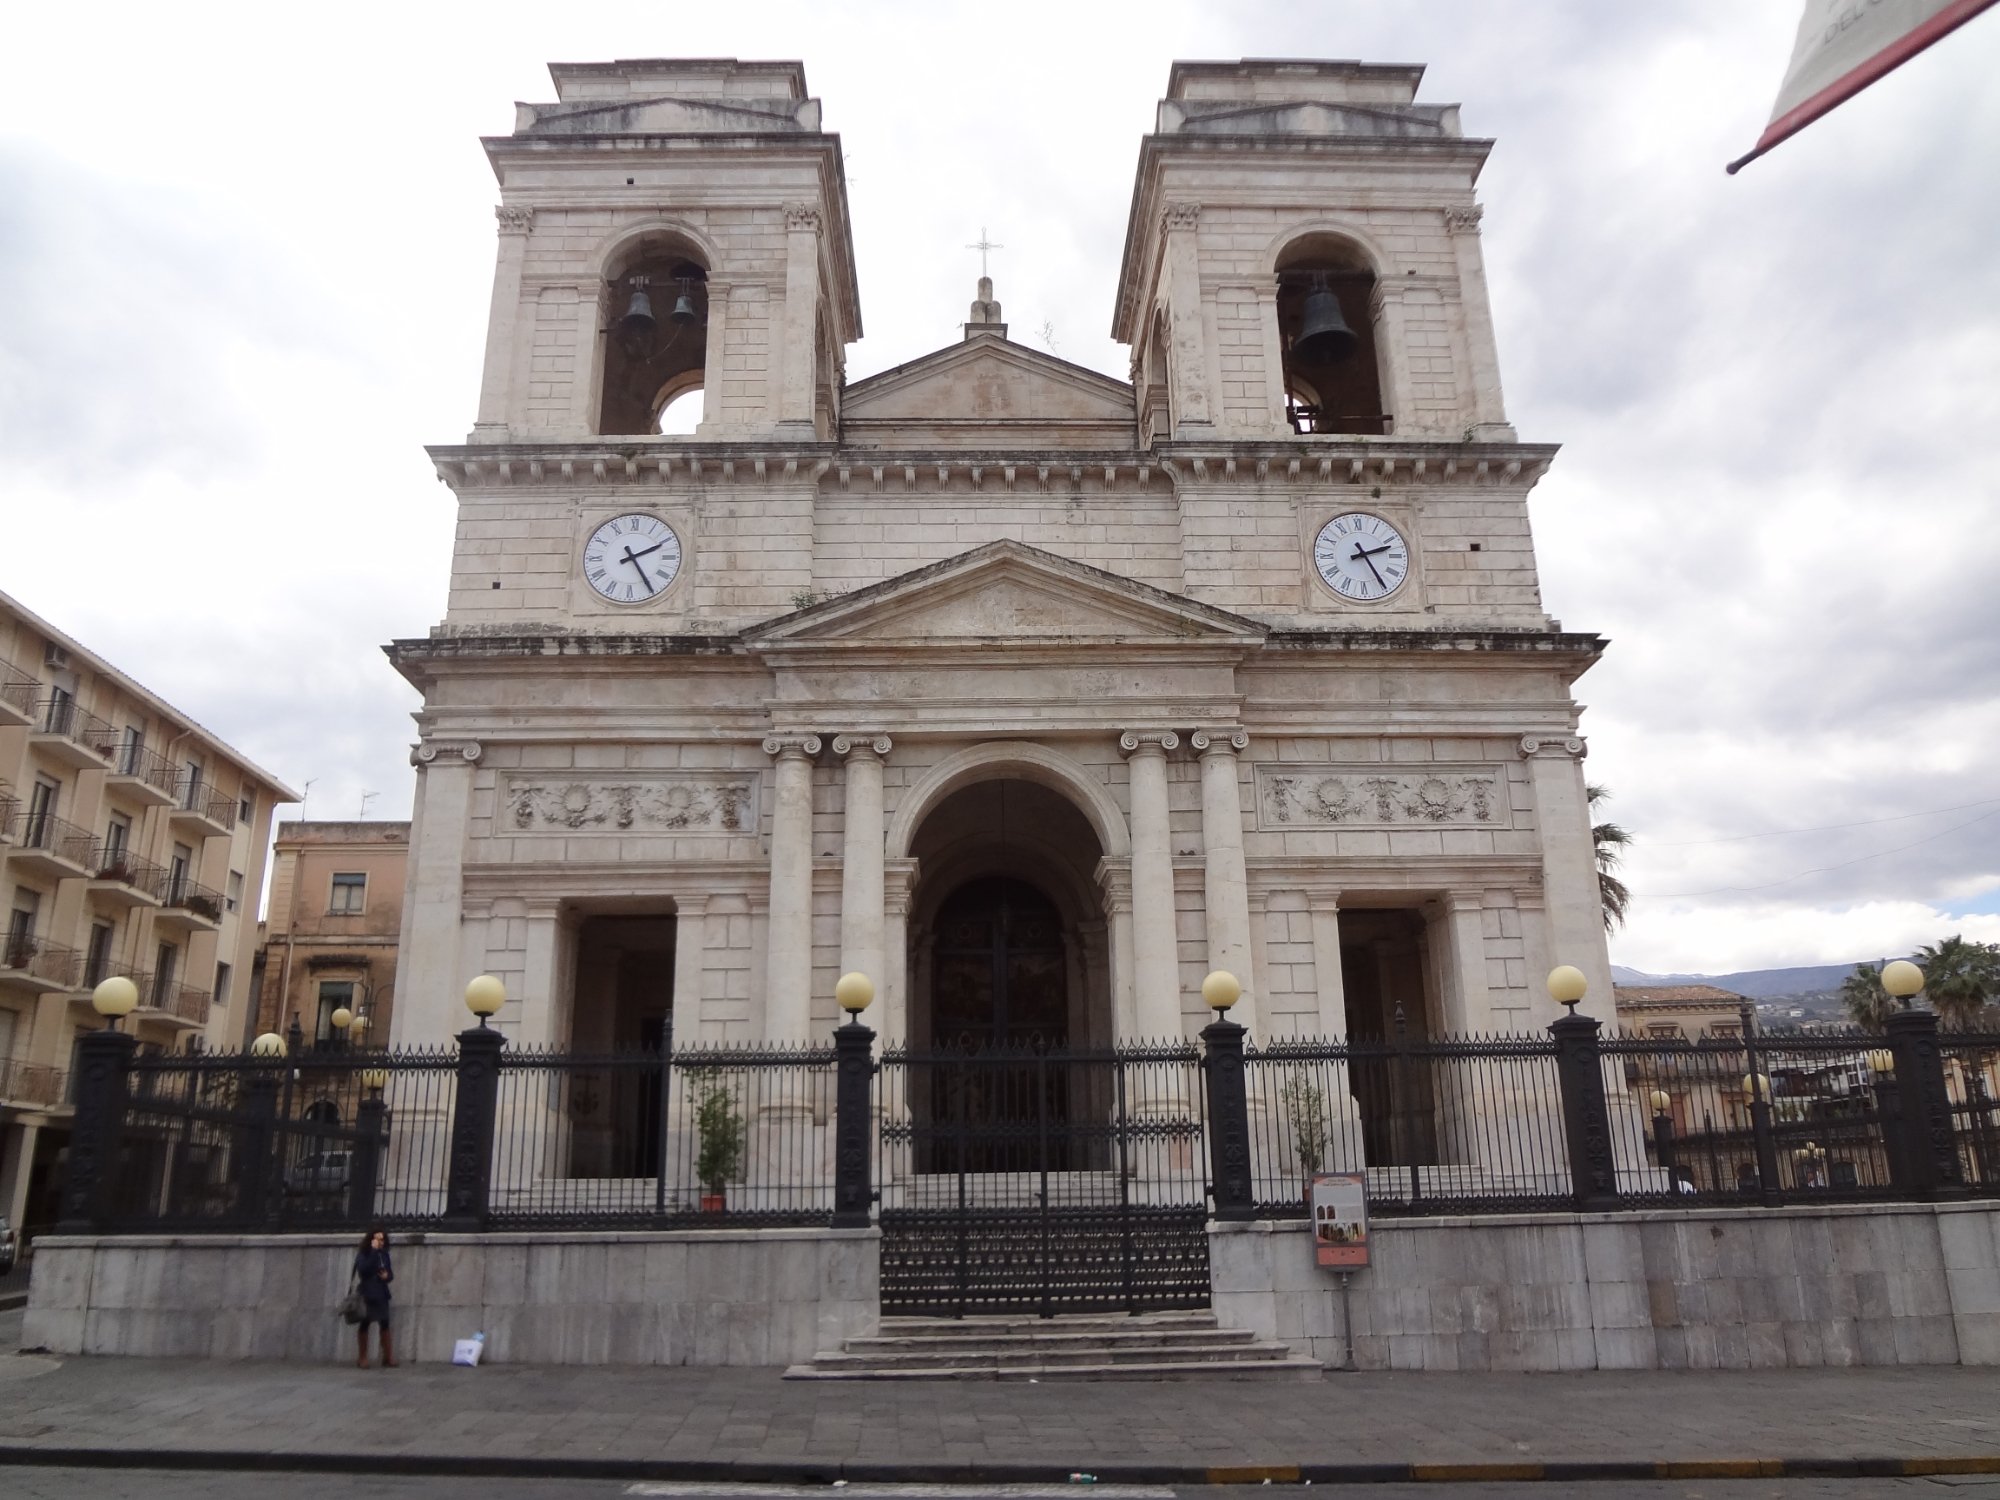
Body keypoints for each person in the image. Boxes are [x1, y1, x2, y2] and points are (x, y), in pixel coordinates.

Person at [352, 1226, 396, 1368]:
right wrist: (373, 1251)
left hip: (381, 1292)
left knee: (385, 1323)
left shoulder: (384, 1255)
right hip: (368, 1292)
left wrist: (386, 1276)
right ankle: (362, 1357)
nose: (381, 1242)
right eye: (378, 1239)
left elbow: (389, 1274)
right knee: (365, 1322)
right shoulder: (364, 1254)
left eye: (382, 1240)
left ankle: (387, 1356)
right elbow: (364, 1270)